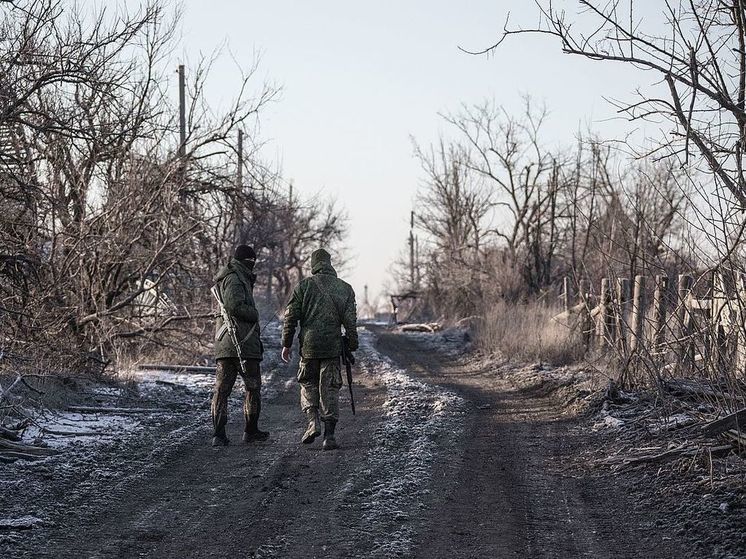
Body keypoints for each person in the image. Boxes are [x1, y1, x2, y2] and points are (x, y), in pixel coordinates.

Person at [281, 248, 358, 450]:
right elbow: (350, 322)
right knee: (330, 388)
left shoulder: (303, 287)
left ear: (313, 264)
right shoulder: (345, 288)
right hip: (332, 347)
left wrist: (286, 344)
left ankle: (312, 421)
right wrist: (352, 344)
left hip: (309, 346)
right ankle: (329, 436)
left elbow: (290, 318)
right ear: (330, 263)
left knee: (307, 383)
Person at [211, 244, 268, 447]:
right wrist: (254, 314)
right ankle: (247, 432)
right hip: (240, 343)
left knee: (223, 390)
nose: (253, 266)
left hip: (228, 345)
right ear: (248, 261)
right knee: (251, 387)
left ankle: (221, 434)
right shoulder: (235, 278)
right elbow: (234, 306)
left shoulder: (233, 275)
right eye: (252, 262)